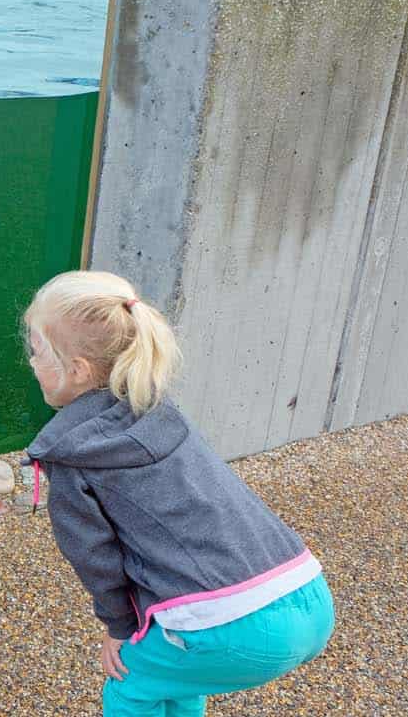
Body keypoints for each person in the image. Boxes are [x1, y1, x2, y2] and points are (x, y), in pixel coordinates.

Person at [21, 270, 335, 716]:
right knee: (174, 678)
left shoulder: (72, 453)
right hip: (306, 592)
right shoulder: (161, 414)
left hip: (229, 624)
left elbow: (94, 556)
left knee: (129, 685)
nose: (30, 363)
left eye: (36, 352)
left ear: (77, 369)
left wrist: (119, 627)